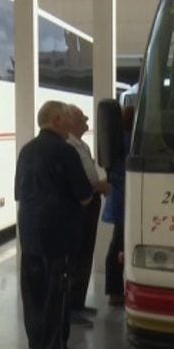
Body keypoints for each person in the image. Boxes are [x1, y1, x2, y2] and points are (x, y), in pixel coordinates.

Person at [14, 101, 94, 349]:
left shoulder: (26, 151)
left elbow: (18, 192)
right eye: (67, 120)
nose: (71, 125)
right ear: (57, 120)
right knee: (56, 292)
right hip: (58, 232)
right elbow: (84, 196)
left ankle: (35, 347)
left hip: (29, 230)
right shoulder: (66, 151)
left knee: (33, 292)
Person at [65, 104, 111, 324]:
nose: (87, 122)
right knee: (75, 256)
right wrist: (97, 187)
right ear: (71, 121)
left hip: (90, 202)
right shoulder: (69, 146)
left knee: (86, 253)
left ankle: (78, 302)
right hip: (78, 206)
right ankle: (70, 306)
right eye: (82, 118)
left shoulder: (82, 145)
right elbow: (75, 181)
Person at [102, 105, 134, 305]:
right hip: (124, 199)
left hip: (121, 198)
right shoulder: (127, 140)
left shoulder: (117, 139)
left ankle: (115, 290)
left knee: (118, 242)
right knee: (118, 244)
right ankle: (114, 291)